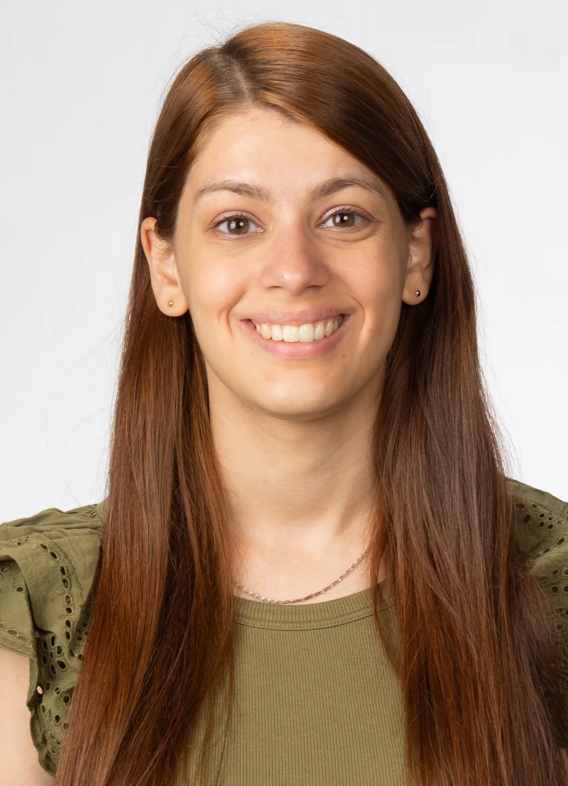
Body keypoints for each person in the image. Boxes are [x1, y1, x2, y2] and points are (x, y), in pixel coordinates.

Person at [0, 20, 567, 786]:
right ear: (166, 266)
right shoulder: (37, 613)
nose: (294, 269)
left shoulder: (550, 583)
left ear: (416, 255)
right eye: (237, 223)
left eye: (344, 217)